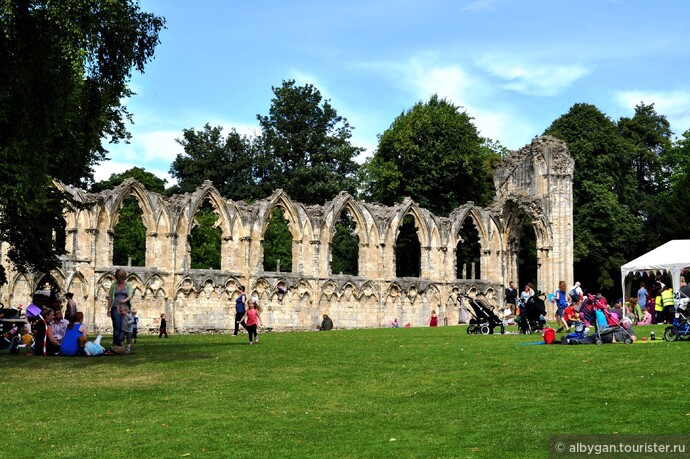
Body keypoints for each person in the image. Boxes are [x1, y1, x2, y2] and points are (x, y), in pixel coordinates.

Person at [107, 269, 133, 346]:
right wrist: (108, 309)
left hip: (125, 309)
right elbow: (110, 298)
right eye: (118, 277)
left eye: (121, 277)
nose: (119, 279)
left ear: (124, 277)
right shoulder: (113, 285)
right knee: (117, 326)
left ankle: (120, 342)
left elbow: (130, 295)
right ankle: (116, 344)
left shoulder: (128, 285)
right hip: (115, 307)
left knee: (124, 327)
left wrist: (124, 300)